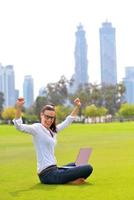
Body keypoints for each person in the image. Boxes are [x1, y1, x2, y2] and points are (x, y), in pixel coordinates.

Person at [13, 97, 93, 184]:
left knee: (81, 162)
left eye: (52, 118)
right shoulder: (37, 128)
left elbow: (68, 121)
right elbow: (19, 126)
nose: (50, 120)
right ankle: (70, 181)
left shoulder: (53, 131)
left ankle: (69, 179)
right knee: (88, 167)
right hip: (47, 175)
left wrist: (77, 107)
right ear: (41, 115)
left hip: (55, 169)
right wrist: (19, 107)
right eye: (47, 117)